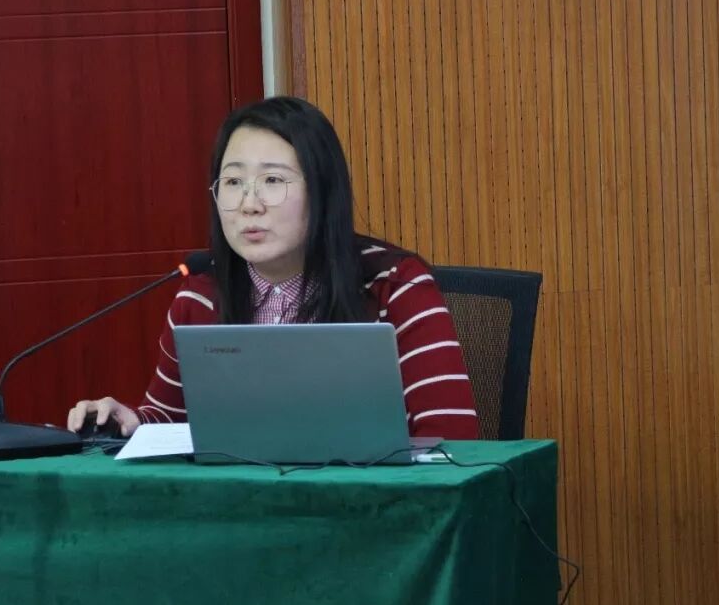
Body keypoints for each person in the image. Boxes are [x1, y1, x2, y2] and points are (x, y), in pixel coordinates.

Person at [67, 97, 479, 439]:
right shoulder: (202, 295)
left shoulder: (395, 286)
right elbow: (171, 424)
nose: (250, 204)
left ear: (322, 192)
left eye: (273, 181)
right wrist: (129, 423)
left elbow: (454, 439)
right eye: (233, 183)